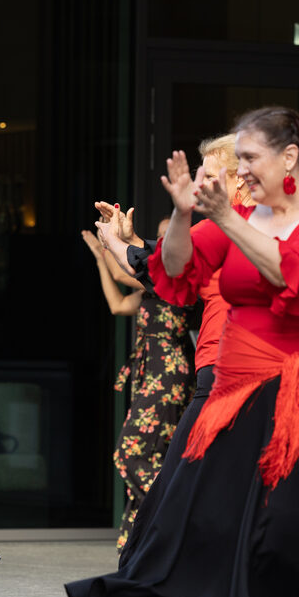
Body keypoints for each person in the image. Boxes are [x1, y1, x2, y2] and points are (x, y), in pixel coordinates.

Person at [66, 107, 299, 597]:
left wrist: (226, 217)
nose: (244, 172)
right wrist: (184, 213)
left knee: (292, 526)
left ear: (289, 159)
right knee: (207, 523)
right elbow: (174, 270)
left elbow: (289, 274)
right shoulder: (239, 218)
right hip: (235, 386)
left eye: (252, 159)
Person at [98, 133, 257, 597]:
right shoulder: (222, 228)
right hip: (216, 370)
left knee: (200, 500)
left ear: (239, 177)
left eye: (211, 173)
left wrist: (127, 243)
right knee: (217, 506)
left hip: (234, 375)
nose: (203, 183)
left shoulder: (254, 226)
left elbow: (164, 276)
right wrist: (122, 243)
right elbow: (163, 271)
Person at [81, 219, 194, 554]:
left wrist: (107, 245)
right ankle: (137, 546)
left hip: (169, 377)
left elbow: (121, 274)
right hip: (151, 376)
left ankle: (177, 513)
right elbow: (117, 304)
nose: (158, 242)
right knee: (152, 458)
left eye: (165, 237)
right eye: (158, 236)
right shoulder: (150, 289)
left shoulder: (178, 282)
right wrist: (103, 257)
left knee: (129, 455)